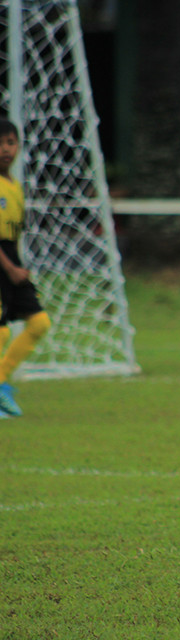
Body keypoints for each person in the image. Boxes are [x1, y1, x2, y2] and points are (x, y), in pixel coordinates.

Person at [0, 118, 51, 418]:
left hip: (11, 260)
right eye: (0, 143)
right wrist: (9, 269)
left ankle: (0, 381)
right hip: (3, 264)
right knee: (1, 332)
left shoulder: (15, 186)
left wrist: (17, 266)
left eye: (10, 142)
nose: (5, 149)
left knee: (39, 323)